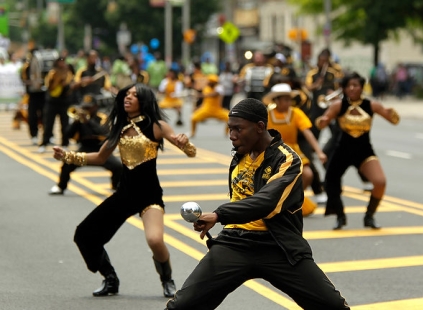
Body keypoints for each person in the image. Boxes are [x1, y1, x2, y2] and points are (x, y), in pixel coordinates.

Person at [165, 98, 350, 310]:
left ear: (260, 127)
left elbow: (266, 201)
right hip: (234, 244)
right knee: (181, 306)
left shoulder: (287, 159)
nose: (231, 135)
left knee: (333, 306)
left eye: (238, 129)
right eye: (230, 128)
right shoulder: (241, 153)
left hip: (278, 246)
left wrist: (219, 215)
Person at [52, 83, 197, 297]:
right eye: (126, 94)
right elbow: (101, 157)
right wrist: (67, 156)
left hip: (149, 196)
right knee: (84, 235)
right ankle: (110, 279)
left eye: (134, 95)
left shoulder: (156, 125)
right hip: (125, 195)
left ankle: (167, 279)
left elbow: (190, 152)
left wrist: (185, 143)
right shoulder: (119, 127)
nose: (128, 98)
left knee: (155, 240)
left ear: (144, 101)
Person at [315, 72, 400, 230]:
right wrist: (324, 121)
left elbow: (394, 120)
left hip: (364, 151)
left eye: (356, 85)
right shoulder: (338, 106)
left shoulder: (371, 105)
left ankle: (369, 216)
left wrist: (391, 113)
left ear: (362, 87)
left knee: (380, 182)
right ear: (345, 88)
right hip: (342, 151)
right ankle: (340, 216)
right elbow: (321, 124)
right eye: (349, 86)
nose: (352, 88)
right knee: (330, 182)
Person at [263, 83, 327, 216]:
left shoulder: (296, 112)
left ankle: (292, 200)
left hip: (293, 149)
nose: (288, 102)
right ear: (277, 100)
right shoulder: (267, 115)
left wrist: (319, 152)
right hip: (273, 151)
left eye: (289, 99)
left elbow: (308, 133)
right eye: (285, 99)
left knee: (308, 174)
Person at [49, 94, 123, 195]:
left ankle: (115, 187)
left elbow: (103, 132)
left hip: (100, 148)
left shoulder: (102, 117)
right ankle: (60, 186)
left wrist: (88, 121)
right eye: (84, 107)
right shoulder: (79, 119)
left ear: (95, 106)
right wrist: (75, 122)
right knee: (67, 162)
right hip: (85, 147)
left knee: (118, 166)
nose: (86, 109)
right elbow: (68, 135)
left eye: (89, 107)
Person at [38, 57, 74, 153]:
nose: (62, 64)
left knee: (65, 124)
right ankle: (44, 143)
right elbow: (48, 86)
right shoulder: (52, 73)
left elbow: (70, 85)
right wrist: (56, 81)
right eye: (60, 62)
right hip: (52, 102)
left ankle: (65, 143)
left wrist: (65, 84)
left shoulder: (68, 73)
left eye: (63, 62)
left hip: (64, 102)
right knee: (48, 123)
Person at [190, 74, 229, 138]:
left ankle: (226, 132)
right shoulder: (206, 89)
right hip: (206, 109)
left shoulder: (219, 88)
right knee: (193, 118)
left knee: (229, 118)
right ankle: (192, 133)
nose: (210, 83)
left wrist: (201, 95)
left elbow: (215, 94)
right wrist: (198, 107)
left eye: (212, 82)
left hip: (217, 110)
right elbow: (204, 101)